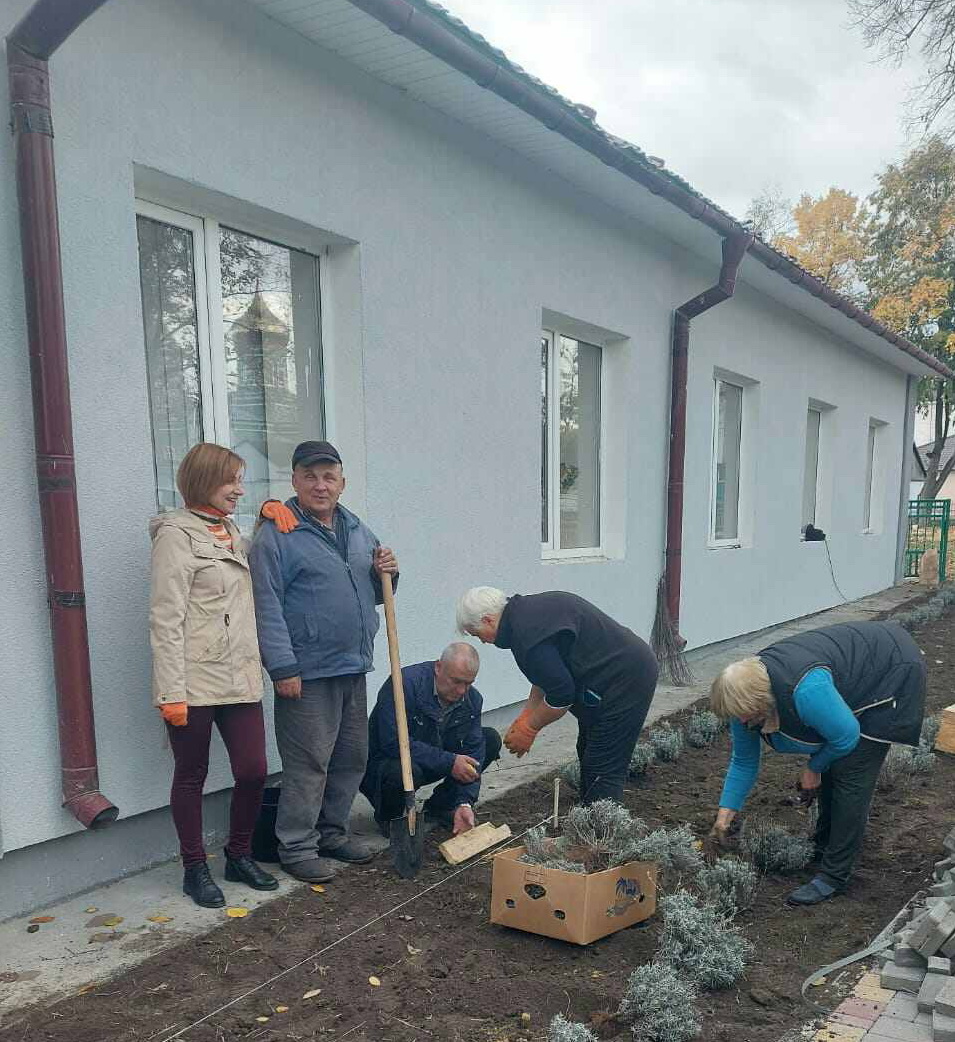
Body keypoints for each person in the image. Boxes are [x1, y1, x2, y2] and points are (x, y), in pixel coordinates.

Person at [249, 440, 398, 883]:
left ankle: (332, 833)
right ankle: (296, 847)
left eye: (328, 476)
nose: (320, 485)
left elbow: (375, 589)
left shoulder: (357, 529)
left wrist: (388, 572)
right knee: (308, 763)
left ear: (342, 482)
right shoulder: (278, 534)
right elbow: (265, 604)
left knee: (351, 757)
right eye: (310, 476)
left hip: (352, 665)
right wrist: (282, 666)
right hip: (306, 672)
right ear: (295, 480)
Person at [707, 620, 926, 906]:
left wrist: (813, 768)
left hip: (891, 671)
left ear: (762, 700)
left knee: (850, 775)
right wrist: (725, 815)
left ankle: (834, 875)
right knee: (833, 762)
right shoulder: (744, 707)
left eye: (745, 714)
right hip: (854, 672)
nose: (742, 721)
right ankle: (822, 847)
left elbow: (846, 736)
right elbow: (743, 761)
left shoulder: (805, 690)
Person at [149, 443, 277, 909]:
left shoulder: (229, 530)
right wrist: (170, 692)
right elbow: (165, 619)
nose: (239, 490)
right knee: (192, 775)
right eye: (232, 481)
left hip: (238, 676)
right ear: (205, 480)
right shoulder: (175, 536)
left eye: (241, 482)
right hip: (194, 681)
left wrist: (266, 519)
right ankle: (194, 868)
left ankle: (238, 855)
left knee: (254, 771)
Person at [456, 587, 658, 805]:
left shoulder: (525, 634)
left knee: (603, 763)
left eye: (477, 634)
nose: (482, 641)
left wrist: (530, 727)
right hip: (617, 673)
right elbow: (546, 676)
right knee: (588, 748)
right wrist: (526, 714)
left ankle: (602, 821)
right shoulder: (524, 617)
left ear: (488, 620)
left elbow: (562, 696)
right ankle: (591, 810)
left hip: (627, 678)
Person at [360, 643, 501, 837]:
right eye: (456, 681)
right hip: (383, 765)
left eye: (468, 683)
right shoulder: (403, 686)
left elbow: (473, 752)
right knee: (404, 770)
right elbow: (392, 743)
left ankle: (442, 806)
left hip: (431, 758)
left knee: (490, 739)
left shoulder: (472, 700)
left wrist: (464, 802)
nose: (462, 690)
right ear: (438, 667)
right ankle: (390, 817)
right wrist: (449, 761)